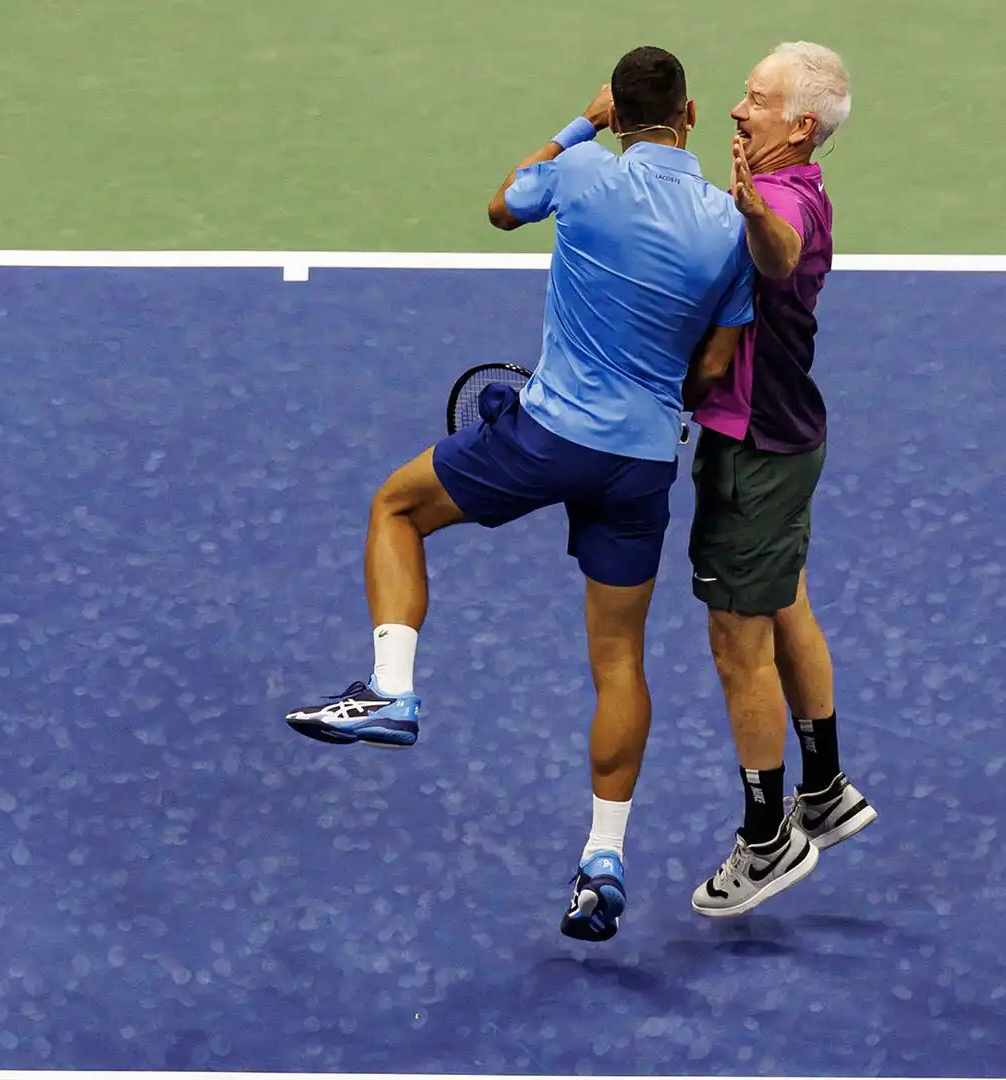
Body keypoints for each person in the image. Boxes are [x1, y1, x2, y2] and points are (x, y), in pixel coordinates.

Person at [281, 46, 754, 943]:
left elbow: (502, 206)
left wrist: (580, 126)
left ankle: (392, 689)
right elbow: (717, 368)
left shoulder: (578, 172)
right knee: (619, 661)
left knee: (396, 507)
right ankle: (602, 859)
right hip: (642, 464)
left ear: (619, 110)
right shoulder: (730, 227)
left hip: (546, 440)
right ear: (690, 117)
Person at [685, 42, 875, 919]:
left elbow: (775, 252)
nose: (737, 108)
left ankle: (766, 841)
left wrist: (747, 205)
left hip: (754, 451)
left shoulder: (785, 200)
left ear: (800, 127)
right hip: (790, 441)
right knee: (786, 595)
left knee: (738, 642)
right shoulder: (793, 186)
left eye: (756, 100)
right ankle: (826, 788)